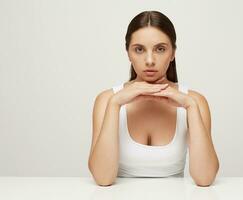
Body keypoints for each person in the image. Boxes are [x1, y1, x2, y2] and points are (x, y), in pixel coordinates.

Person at [88, 10, 219, 187]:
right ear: (128, 53)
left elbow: (205, 179)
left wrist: (191, 106)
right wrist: (115, 104)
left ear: (173, 53)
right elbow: (103, 179)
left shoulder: (194, 101)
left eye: (160, 49)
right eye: (139, 49)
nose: (150, 60)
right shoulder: (107, 100)